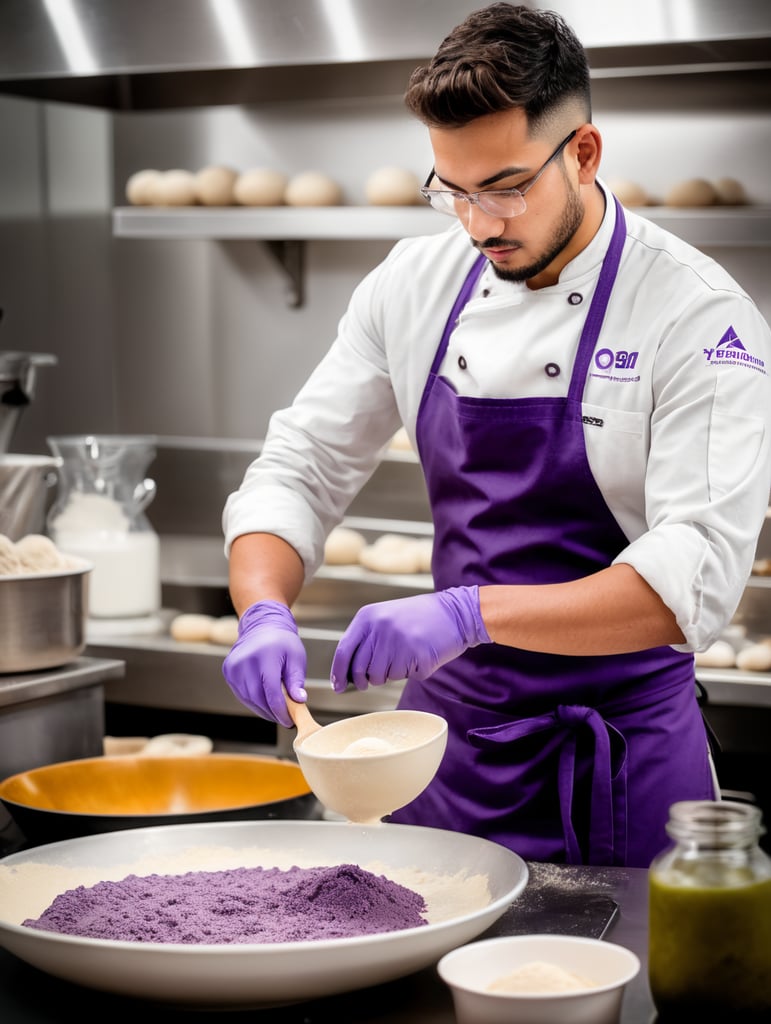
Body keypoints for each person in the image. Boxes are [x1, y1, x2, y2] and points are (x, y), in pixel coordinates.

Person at [221, 2, 771, 867]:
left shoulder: (696, 315)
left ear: (583, 154)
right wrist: (261, 608)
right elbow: (300, 466)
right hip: (447, 757)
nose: (479, 223)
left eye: (507, 187)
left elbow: (689, 583)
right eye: (453, 190)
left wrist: (465, 612)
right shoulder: (413, 281)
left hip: (619, 762)